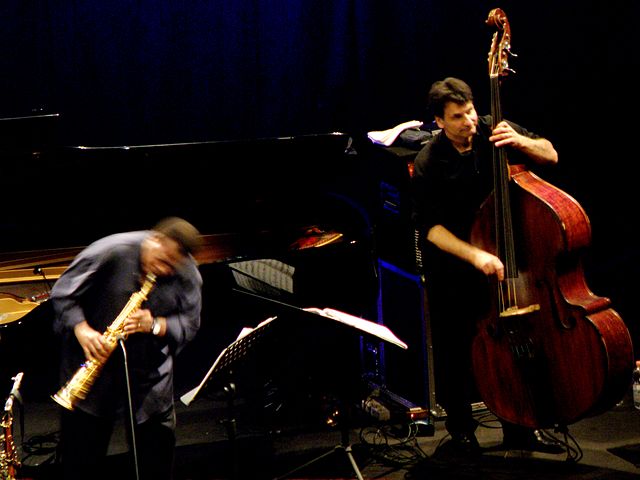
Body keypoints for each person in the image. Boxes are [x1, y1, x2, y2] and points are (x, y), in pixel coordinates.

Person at [410, 77, 563, 454]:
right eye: (458, 116)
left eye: (471, 111)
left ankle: (523, 426)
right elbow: (431, 229)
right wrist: (476, 256)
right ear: (439, 122)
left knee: (518, 342)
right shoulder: (428, 162)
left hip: (508, 258)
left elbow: (551, 155)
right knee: (456, 348)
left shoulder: (494, 130)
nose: (469, 121)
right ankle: (462, 431)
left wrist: (521, 142)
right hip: (457, 265)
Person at [50, 217, 203, 480]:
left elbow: (190, 324)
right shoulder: (109, 250)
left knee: (155, 466)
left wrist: (154, 324)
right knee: (81, 464)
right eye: (163, 259)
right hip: (92, 379)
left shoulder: (186, 272)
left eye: (172, 265)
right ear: (154, 239)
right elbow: (63, 292)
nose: (165, 270)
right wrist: (81, 328)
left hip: (149, 384)